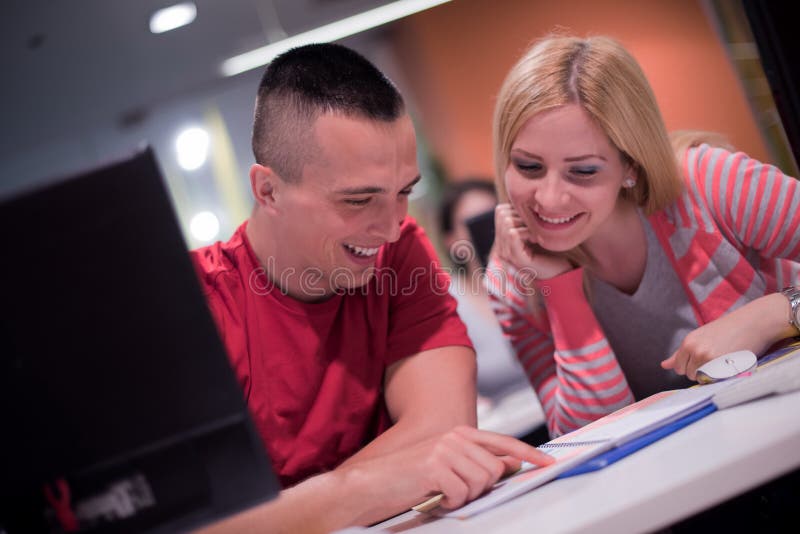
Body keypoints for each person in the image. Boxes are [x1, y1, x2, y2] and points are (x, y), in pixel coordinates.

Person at [191, 43, 553, 531]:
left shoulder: (400, 249)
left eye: (403, 192)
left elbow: (444, 429)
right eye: (358, 201)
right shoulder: (194, 307)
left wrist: (292, 513)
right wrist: (360, 491)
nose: (389, 227)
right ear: (268, 191)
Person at [486, 34, 800, 439]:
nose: (548, 198)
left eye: (583, 171)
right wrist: (559, 287)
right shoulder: (513, 279)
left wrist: (777, 313)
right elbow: (590, 437)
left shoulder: (709, 183)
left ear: (630, 164)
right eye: (528, 167)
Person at [438, 179, 546, 441]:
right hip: (508, 433)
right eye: (473, 223)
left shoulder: (541, 275)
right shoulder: (447, 303)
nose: (487, 229)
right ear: (452, 241)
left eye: (492, 216)